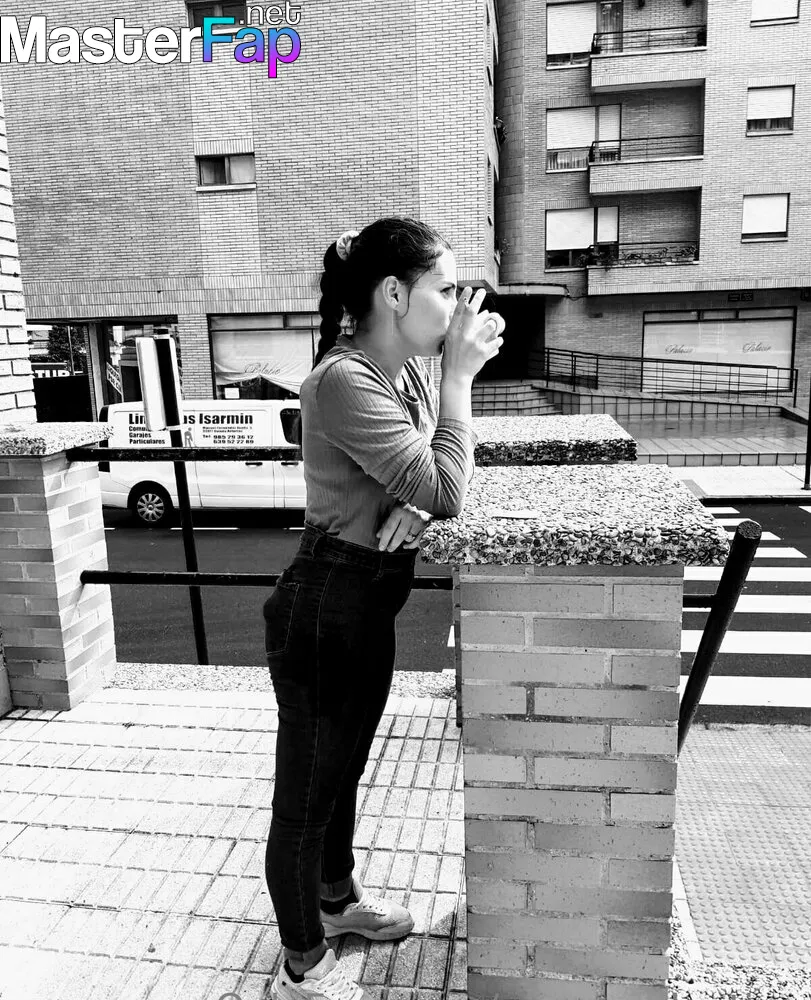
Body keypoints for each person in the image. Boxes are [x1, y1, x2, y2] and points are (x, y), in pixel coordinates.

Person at [264, 216, 504, 1000]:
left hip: (365, 602)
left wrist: (420, 501)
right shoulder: (344, 379)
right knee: (305, 797)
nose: (456, 307)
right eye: (444, 288)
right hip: (326, 604)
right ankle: (303, 961)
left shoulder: (398, 377)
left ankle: (336, 903)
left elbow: (434, 471)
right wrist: (459, 383)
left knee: (344, 771)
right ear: (394, 294)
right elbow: (446, 481)